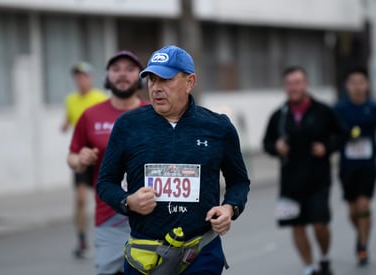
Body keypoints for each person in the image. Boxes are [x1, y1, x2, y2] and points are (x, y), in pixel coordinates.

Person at [97, 45, 250, 275]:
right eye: (151, 80)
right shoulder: (129, 125)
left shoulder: (218, 127)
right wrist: (128, 201)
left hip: (200, 252)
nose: (156, 88)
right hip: (145, 255)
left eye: (165, 80)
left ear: (190, 82)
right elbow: (106, 182)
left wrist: (229, 208)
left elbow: (239, 181)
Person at [67, 51, 148, 275]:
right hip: (109, 218)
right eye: (116, 69)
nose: (122, 74)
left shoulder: (152, 113)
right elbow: (71, 156)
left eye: (130, 69)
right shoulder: (91, 115)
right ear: (107, 76)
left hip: (152, 218)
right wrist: (80, 159)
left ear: (140, 76)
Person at [263, 66, 346, 275]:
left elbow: (342, 135)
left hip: (318, 178)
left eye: (298, 82)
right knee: (296, 226)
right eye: (290, 83)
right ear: (285, 87)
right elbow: (267, 143)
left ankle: (325, 258)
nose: (294, 87)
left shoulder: (323, 111)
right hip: (290, 180)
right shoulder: (279, 115)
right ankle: (310, 268)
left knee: (320, 224)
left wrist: (327, 148)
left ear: (306, 84)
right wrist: (277, 148)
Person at [335, 68, 376, 266]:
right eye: (353, 82)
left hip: (368, 164)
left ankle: (362, 246)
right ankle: (361, 233)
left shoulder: (374, 107)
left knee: (364, 205)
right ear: (347, 85)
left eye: (361, 82)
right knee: (353, 212)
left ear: (367, 84)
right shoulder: (339, 108)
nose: (357, 86)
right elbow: (332, 132)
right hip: (347, 166)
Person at [61, 61, 108, 258]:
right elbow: (70, 119)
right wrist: (64, 125)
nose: (81, 80)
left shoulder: (100, 98)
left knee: (104, 199)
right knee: (80, 200)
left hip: (99, 155)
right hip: (81, 155)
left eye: (84, 76)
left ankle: (108, 236)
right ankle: (81, 240)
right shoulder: (70, 100)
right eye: (78, 77)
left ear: (91, 78)